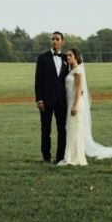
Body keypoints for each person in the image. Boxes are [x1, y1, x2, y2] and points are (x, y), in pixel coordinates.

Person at [57, 48, 112, 166]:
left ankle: (75, 158)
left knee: (75, 130)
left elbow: (79, 89)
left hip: (75, 104)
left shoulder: (78, 71)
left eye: (70, 55)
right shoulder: (71, 70)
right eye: (67, 55)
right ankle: (71, 155)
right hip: (70, 102)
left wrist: (75, 105)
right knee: (72, 129)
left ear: (76, 57)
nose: (67, 57)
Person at [34, 31, 69, 163]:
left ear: (62, 42)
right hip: (46, 101)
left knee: (62, 131)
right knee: (45, 131)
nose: (54, 41)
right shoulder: (43, 58)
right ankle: (46, 158)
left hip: (62, 102)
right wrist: (39, 99)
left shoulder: (66, 58)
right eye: (53, 39)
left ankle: (60, 158)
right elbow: (38, 80)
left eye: (57, 39)